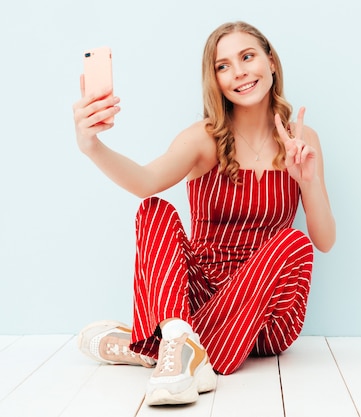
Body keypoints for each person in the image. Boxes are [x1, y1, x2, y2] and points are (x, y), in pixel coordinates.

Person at [72, 21, 335, 406]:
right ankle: (177, 343)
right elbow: (146, 181)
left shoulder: (302, 139)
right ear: (214, 80)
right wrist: (91, 146)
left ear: (271, 62)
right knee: (153, 210)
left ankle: (154, 348)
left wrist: (307, 180)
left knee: (294, 241)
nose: (239, 72)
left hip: (266, 316)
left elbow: (324, 241)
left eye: (247, 57)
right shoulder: (204, 137)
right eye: (223, 66)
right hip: (200, 296)